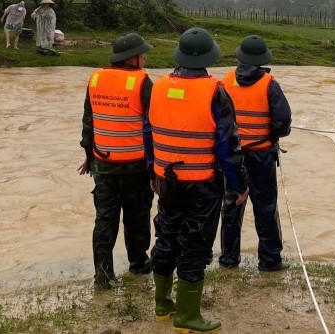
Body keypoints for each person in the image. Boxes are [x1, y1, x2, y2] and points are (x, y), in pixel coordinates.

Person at [146, 27, 248, 332]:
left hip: (167, 179)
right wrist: (239, 185)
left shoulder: (159, 86)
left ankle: (163, 305)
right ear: (209, 57)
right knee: (195, 244)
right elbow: (228, 145)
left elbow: (147, 132)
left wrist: (153, 169)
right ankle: (188, 317)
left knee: (165, 238)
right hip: (202, 183)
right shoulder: (215, 91)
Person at [78, 33, 155, 289]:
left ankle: (103, 275)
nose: (145, 58)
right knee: (137, 217)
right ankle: (139, 264)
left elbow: (88, 121)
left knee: (104, 219)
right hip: (136, 165)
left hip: (103, 163)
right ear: (131, 58)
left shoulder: (96, 78)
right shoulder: (142, 82)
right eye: (142, 54)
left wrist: (88, 156)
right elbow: (153, 124)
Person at [218, 35, 292, 272]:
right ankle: (270, 261)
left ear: (239, 57)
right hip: (260, 155)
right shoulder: (269, 83)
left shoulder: (225, 81)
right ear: (262, 60)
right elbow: (283, 123)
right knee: (266, 207)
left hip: (232, 155)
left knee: (232, 204)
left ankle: (228, 259)